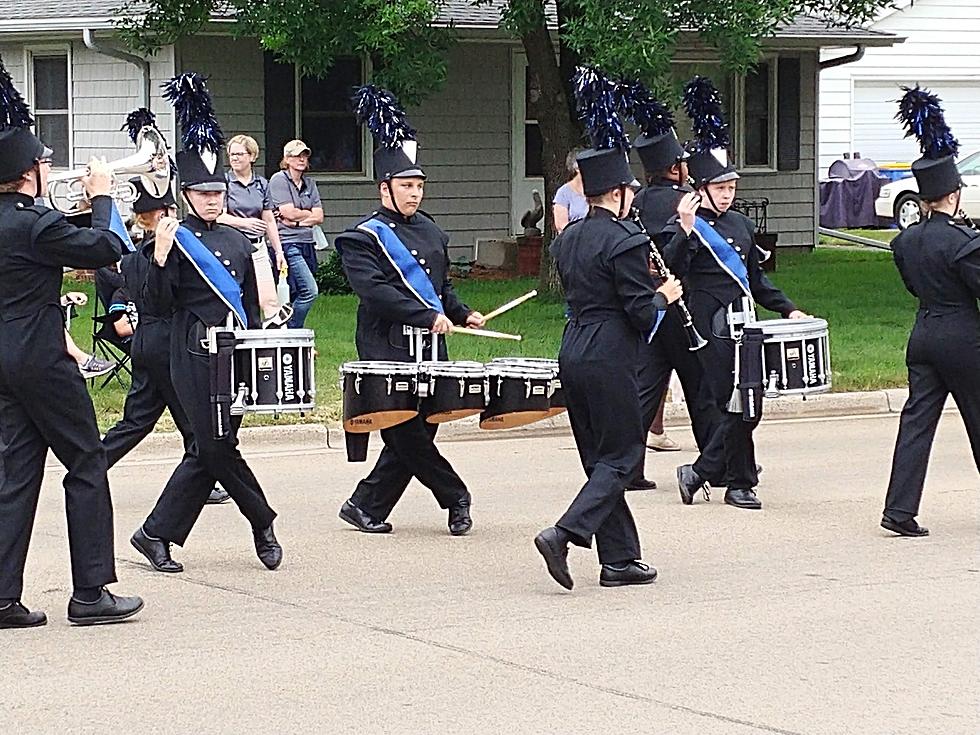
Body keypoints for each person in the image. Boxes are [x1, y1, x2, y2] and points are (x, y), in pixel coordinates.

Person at [533, 67, 687, 591]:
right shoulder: (626, 242)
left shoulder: (568, 238)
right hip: (610, 353)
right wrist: (665, 295)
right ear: (618, 194)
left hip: (572, 347)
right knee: (622, 458)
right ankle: (564, 533)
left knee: (599, 459)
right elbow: (641, 314)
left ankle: (619, 560)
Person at [0, 65, 143, 628]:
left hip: (6, 359)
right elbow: (108, 245)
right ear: (26, 173)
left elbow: (61, 240)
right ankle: (90, 592)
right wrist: (105, 195)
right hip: (41, 357)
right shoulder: (35, 223)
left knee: (16, 473)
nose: (48, 168)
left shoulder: (26, 223)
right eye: (42, 162)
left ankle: (3, 597)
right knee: (86, 460)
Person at [129, 72, 280, 573]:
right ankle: (262, 522)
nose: (213, 201)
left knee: (214, 447)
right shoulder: (170, 239)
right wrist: (161, 256)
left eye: (219, 193)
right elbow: (153, 302)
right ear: (187, 194)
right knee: (213, 443)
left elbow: (253, 307)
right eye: (204, 193)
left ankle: (155, 533)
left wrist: (266, 342)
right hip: (190, 351)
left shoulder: (240, 241)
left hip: (235, 351)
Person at [335, 84, 484, 536]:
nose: (415, 193)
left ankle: (365, 504)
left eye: (419, 185)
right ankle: (456, 496)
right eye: (406, 185)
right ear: (385, 188)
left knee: (423, 428)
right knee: (403, 429)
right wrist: (426, 316)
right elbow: (375, 292)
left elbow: (441, 287)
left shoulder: (433, 231)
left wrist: (461, 313)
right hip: (387, 343)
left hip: (430, 343)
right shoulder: (362, 238)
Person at [669, 77, 807, 511]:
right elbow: (671, 270)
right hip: (709, 326)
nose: (728, 196)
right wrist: (686, 232)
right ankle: (740, 482)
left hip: (745, 321)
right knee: (733, 402)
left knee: (750, 403)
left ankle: (701, 472)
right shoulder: (687, 225)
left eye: (732, 189)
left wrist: (787, 309)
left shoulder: (743, 227)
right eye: (720, 189)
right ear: (702, 189)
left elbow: (756, 280)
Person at [881, 86, 980, 537]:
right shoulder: (962, 242)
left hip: (922, 334)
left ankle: (899, 510)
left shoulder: (905, 241)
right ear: (954, 195)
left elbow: (910, 285)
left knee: (916, 423)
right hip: (963, 337)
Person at [100, 177, 231, 505]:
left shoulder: (130, 257)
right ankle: (202, 478)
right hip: (169, 345)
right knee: (192, 420)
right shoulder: (162, 250)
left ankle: (91, 465)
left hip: (145, 343)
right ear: (159, 215)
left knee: (137, 421)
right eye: (168, 209)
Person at [628, 121, 717, 490]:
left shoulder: (634, 203)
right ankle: (716, 462)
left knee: (646, 389)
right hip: (684, 304)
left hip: (652, 307)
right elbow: (692, 254)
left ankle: (629, 469)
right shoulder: (686, 203)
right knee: (702, 389)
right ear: (673, 169)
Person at [218, 134, 285, 319]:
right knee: (237, 295)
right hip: (233, 246)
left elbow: (269, 220)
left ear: (252, 156)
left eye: (240, 154)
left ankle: (274, 337)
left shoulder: (262, 184)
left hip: (258, 246)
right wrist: (245, 223)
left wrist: (279, 252)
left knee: (268, 297)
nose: (235, 158)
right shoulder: (224, 183)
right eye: (232, 155)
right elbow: (218, 217)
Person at [268, 139, 322, 328]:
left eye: (304, 155)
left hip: (307, 243)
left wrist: (297, 221)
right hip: (287, 244)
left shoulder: (310, 183)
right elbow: (287, 211)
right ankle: (292, 327)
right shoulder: (278, 179)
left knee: (296, 292)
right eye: (297, 155)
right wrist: (306, 215)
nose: (301, 159)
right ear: (287, 159)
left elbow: (319, 216)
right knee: (310, 290)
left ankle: (285, 332)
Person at [552, 149, 588, 233]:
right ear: (577, 168)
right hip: (572, 241)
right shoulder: (563, 193)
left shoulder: (596, 189)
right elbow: (561, 226)